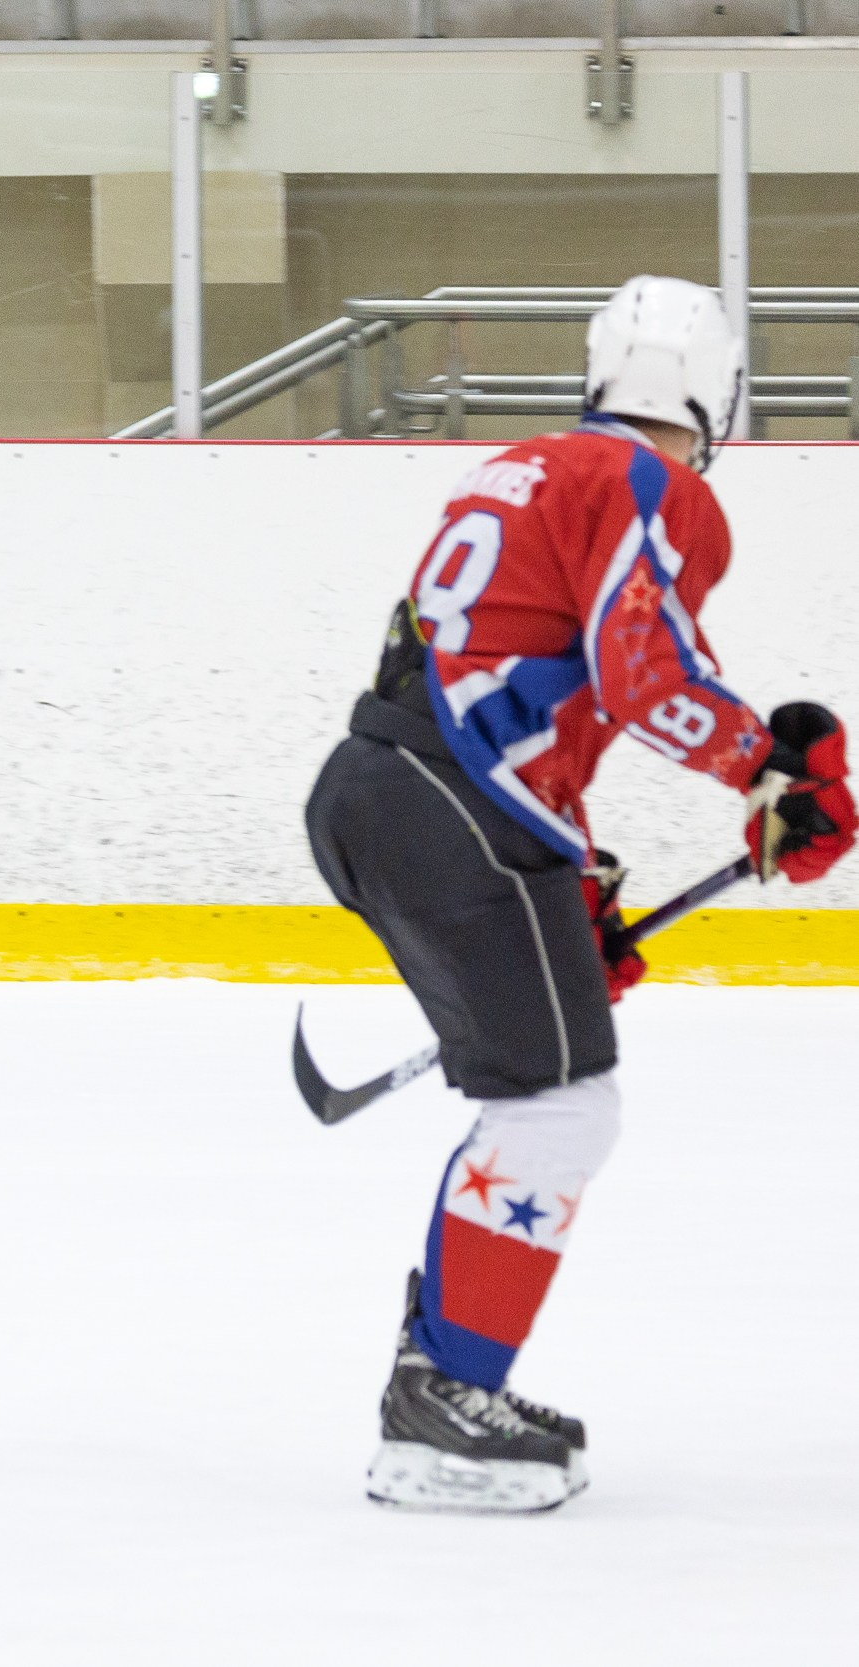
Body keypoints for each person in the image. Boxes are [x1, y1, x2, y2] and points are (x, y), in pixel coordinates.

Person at [303, 275, 855, 1513]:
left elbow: (501, 675)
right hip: (453, 808)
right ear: (715, 396)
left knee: (543, 1096)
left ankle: (442, 1379)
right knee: (557, 1109)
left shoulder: (515, 470)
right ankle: (442, 1403)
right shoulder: (654, 483)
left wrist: (569, 880)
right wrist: (766, 770)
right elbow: (637, 668)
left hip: (382, 787)